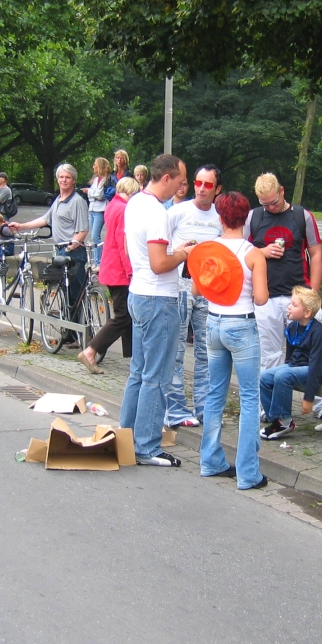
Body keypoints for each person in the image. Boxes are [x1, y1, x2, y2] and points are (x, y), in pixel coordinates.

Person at [118, 154, 195, 467]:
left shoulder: (135, 202)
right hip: (159, 299)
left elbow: (130, 251)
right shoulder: (158, 212)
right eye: (181, 181)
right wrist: (183, 254)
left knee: (138, 372)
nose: (183, 187)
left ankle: (126, 437)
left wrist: (173, 252)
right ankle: (147, 446)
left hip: (138, 292)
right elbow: (160, 263)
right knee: (158, 376)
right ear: (167, 178)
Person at [190, 191, 269, 489]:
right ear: (245, 218)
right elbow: (261, 298)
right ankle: (248, 473)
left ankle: (210, 460)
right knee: (249, 397)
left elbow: (197, 290)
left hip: (213, 323)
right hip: (242, 325)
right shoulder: (253, 253)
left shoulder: (208, 250)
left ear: (220, 217)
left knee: (215, 393)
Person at [246, 172, 322, 421]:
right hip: (266, 297)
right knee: (270, 355)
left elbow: (316, 254)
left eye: (274, 201)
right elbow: (243, 252)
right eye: (264, 203)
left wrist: (313, 293)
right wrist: (262, 252)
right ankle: (270, 408)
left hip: (299, 295)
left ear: (282, 191)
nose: (270, 207)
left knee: (312, 354)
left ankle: (320, 405)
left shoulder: (301, 216)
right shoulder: (254, 217)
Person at [163, 164, 224, 428]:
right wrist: (178, 251)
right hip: (180, 288)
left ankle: (205, 408)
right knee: (176, 350)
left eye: (208, 185)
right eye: (198, 183)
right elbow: (158, 245)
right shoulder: (177, 212)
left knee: (207, 352)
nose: (201, 189)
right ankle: (175, 409)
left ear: (217, 189)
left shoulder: (220, 217)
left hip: (208, 290)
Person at [9, 164, 89, 342]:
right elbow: (46, 219)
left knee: (75, 295)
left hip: (73, 252)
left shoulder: (77, 201)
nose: (64, 180)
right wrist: (21, 226)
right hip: (61, 250)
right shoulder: (58, 199)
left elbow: (83, 230)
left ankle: (81, 335)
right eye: (61, 177)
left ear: (74, 180)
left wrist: (70, 247)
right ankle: (70, 334)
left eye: (67, 177)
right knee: (65, 294)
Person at [78, 176, 141, 374]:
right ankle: (91, 351)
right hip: (119, 271)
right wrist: (131, 271)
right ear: (132, 192)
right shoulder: (124, 209)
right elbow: (123, 245)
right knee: (123, 316)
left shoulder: (112, 205)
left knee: (126, 315)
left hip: (111, 268)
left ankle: (134, 359)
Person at [259, 286, 322, 441]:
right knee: (264, 377)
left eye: (294, 305)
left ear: (307, 313)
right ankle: (275, 418)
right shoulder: (293, 326)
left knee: (282, 375)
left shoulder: (319, 332)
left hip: (314, 371)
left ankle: (285, 421)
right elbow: (290, 357)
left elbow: (317, 367)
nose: (289, 307)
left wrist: (308, 398)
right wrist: (287, 367)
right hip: (295, 367)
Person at [85, 157, 115, 266]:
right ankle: (96, 260)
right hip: (92, 209)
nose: (93, 167)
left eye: (95, 165)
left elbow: (100, 195)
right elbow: (94, 195)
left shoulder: (106, 179)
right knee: (92, 236)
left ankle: (99, 262)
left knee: (95, 236)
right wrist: (92, 193)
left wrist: (89, 191)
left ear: (100, 166)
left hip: (100, 210)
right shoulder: (96, 179)